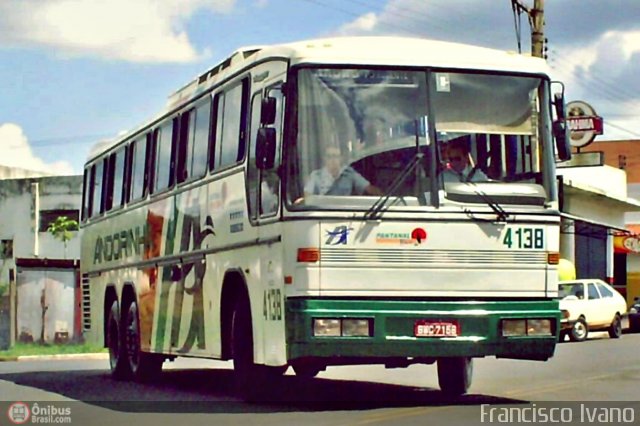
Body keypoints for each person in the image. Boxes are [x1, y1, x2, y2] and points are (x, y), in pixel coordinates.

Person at [304, 146, 382, 196]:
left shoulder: (349, 173)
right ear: (324, 159)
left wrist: (384, 197)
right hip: (322, 213)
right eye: (329, 156)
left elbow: (368, 188)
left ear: (340, 158)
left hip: (344, 211)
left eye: (336, 156)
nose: (333, 160)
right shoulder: (316, 176)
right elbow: (307, 195)